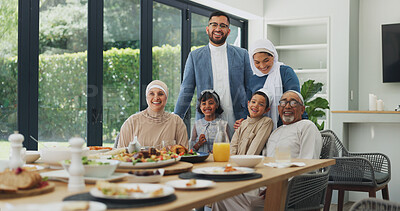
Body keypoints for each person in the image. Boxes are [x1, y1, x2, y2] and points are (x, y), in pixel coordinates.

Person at [213, 90, 322, 211]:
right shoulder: (276, 132)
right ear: (279, 109)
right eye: (283, 103)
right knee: (220, 196)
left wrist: (279, 187)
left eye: (293, 102)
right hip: (264, 185)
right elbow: (265, 163)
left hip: (289, 191)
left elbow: (310, 165)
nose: (287, 106)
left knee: (241, 203)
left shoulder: (307, 126)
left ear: (302, 109)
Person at [174, 11, 253, 137]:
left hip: (238, 121)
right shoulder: (195, 56)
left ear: (228, 31)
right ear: (207, 29)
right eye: (214, 24)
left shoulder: (242, 54)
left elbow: (250, 87)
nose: (218, 29)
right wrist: (176, 120)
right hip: (207, 121)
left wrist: (250, 117)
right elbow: (186, 90)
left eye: (223, 25)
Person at [234, 39, 303, 130]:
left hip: (288, 126)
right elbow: (249, 107)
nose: (262, 66)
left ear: (273, 56)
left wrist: (302, 127)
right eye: (257, 62)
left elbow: (296, 102)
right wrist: (242, 121)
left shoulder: (285, 72)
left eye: (266, 60)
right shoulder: (253, 80)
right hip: (260, 130)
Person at [117, 80, 188, 148]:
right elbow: (120, 154)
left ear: (166, 98)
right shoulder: (131, 122)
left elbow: (184, 154)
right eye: (151, 93)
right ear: (146, 97)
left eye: (160, 94)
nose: (156, 97)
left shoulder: (177, 122)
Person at [230, 88, 273, 155]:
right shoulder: (242, 123)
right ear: (248, 103)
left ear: (266, 110)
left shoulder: (266, 122)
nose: (255, 105)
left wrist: (244, 163)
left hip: (250, 163)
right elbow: (233, 146)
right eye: (253, 102)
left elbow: (255, 148)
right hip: (235, 163)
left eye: (261, 104)